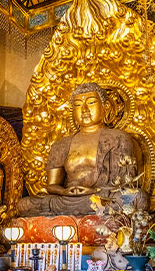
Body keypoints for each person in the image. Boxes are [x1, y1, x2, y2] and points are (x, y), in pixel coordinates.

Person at [16, 82, 146, 216]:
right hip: (67, 200)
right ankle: (75, 211)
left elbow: (126, 183)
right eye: (77, 105)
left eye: (90, 103)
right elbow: (52, 185)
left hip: (102, 197)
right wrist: (64, 192)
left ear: (105, 107)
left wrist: (93, 191)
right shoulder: (61, 144)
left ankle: (66, 215)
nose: (84, 109)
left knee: (137, 198)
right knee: (24, 205)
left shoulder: (118, 138)